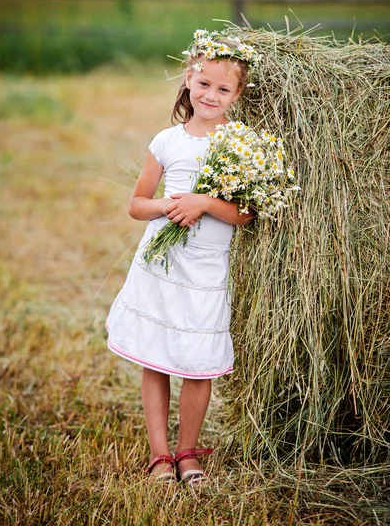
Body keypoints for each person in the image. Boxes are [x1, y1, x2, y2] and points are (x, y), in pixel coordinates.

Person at [106, 29, 258, 485]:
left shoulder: (242, 145)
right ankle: (159, 455)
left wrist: (205, 203)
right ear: (188, 81)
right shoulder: (167, 141)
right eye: (204, 83)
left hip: (208, 271)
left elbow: (245, 215)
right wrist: (172, 206)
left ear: (237, 94)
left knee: (199, 359)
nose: (211, 94)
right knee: (155, 356)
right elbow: (137, 204)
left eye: (223, 88)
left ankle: (188, 452)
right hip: (161, 265)